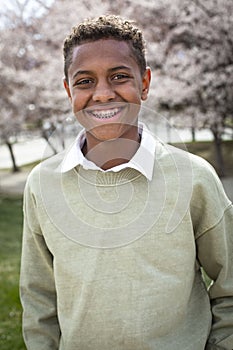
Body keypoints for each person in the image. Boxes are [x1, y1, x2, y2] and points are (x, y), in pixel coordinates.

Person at [20, 15, 233, 350]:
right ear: (67, 90)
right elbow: (38, 297)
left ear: (144, 83)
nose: (103, 94)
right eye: (85, 81)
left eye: (119, 77)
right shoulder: (41, 184)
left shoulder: (194, 177)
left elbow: (229, 286)